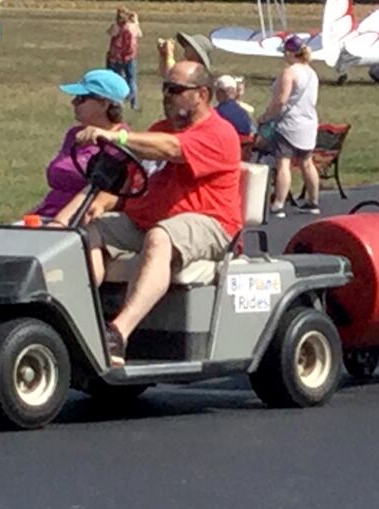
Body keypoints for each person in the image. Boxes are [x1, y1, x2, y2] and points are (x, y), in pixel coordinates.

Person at [52, 60, 242, 367]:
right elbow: (133, 178)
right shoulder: (158, 129)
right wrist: (103, 203)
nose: (167, 95)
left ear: (202, 95)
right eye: (165, 88)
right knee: (88, 230)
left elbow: (171, 149)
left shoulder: (219, 133)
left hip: (211, 223)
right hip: (149, 219)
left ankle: (117, 333)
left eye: (176, 90)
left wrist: (118, 137)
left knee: (160, 236)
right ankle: (79, 320)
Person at [28, 69, 130, 221]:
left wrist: (60, 222)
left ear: (104, 104)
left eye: (81, 98)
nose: (73, 102)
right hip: (46, 213)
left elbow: (103, 193)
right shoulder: (74, 134)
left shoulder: (122, 141)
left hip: (79, 220)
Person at [262, 35, 321, 217]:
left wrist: (266, 116)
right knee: (307, 162)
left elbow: (281, 100)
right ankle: (313, 201)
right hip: (308, 122)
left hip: (289, 123)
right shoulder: (312, 73)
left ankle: (278, 203)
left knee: (283, 163)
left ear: (289, 53)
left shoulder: (289, 72)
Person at [106, 8, 142, 111]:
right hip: (130, 57)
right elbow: (139, 34)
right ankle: (133, 103)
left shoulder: (117, 27)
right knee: (131, 80)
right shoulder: (132, 27)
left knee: (117, 79)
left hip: (116, 57)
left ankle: (118, 101)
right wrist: (136, 21)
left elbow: (110, 33)